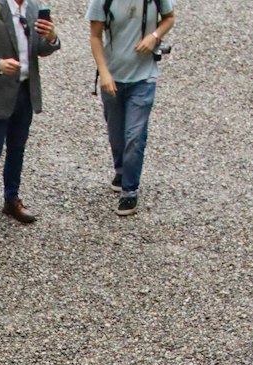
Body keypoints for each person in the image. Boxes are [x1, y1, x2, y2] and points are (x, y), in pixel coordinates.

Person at [0, 0, 61, 239]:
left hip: (25, 92)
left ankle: (11, 199)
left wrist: (51, 38)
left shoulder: (33, 8)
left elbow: (41, 49)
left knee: (17, 149)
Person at [87, 0, 175, 216]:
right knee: (116, 133)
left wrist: (154, 37)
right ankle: (121, 170)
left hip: (144, 78)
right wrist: (104, 72)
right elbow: (95, 36)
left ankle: (130, 190)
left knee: (135, 135)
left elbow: (169, 18)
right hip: (113, 78)